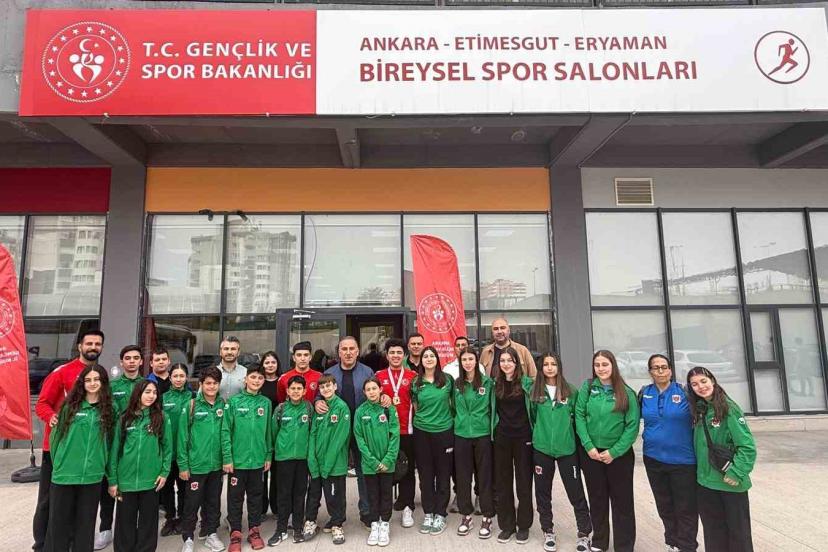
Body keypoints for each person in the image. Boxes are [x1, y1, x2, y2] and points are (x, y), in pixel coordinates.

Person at [44, 363, 114, 552]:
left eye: (97, 379)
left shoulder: (109, 409)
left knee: (86, 524)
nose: (92, 383)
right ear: (82, 383)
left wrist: (104, 466)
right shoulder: (70, 407)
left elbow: (111, 442)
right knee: (59, 524)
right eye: (88, 380)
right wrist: (60, 463)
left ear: (103, 382)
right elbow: (55, 438)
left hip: (92, 476)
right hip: (65, 475)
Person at [575, 350, 640, 552]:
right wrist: (588, 446)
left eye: (605, 364)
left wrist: (615, 452)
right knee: (597, 499)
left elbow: (632, 426)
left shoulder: (626, 392)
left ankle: (624, 546)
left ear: (613, 366)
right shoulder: (588, 387)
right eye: (597, 365)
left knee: (622, 502)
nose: (601, 368)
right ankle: (599, 542)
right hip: (592, 454)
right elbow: (579, 415)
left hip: (618, 456)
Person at [687, 366, 757, 552]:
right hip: (706, 484)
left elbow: (747, 446)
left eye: (703, 381)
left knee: (738, 535)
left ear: (712, 380)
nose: (700, 387)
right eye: (694, 384)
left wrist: (736, 472)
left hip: (729, 483)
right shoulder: (700, 409)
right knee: (713, 534)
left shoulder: (728, 408)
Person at [530, 353, 593, 552]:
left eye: (553, 364)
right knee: (543, 493)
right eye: (546, 364)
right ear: (541, 368)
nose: (549, 367)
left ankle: (584, 533)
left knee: (576, 492)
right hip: (542, 450)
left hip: (567, 450)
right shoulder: (535, 392)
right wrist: (539, 436)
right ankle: (548, 531)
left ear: (559, 367)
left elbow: (577, 418)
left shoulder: (570, 391)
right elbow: (533, 417)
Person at [640, 354, 698, 552]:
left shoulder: (685, 392)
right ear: (650, 372)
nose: (660, 371)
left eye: (664, 367)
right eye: (655, 367)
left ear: (671, 370)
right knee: (664, 505)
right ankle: (672, 543)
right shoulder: (644, 393)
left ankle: (687, 546)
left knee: (685, 507)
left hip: (683, 461)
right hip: (653, 459)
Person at [315, 336, 375, 527]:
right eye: (344, 349)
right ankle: (337, 516)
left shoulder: (367, 372)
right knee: (337, 474)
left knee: (364, 471)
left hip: (361, 429)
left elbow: (375, 393)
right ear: (338, 352)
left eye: (352, 349)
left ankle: (367, 512)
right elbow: (320, 394)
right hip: (337, 431)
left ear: (358, 351)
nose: (348, 353)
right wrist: (317, 402)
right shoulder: (329, 372)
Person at [107, 379, 173, 552]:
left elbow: (167, 448)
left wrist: (164, 472)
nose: (151, 396)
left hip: (150, 480)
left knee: (148, 523)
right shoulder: (124, 418)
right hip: (126, 480)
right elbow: (114, 451)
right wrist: (112, 480)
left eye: (154, 392)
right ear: (138, 394)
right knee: (125, 523)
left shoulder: (161, 418)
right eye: (147, 392)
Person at [221, 365, 273, 552]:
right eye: (253, 377)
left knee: (255, 498)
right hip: (238, 461)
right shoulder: (234, 402)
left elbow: (268, 431)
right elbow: (226, 430)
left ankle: (254, 530)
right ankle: (235, 533)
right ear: (245, 379)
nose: (256, 381)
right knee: (235, 499)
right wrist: (227, 457)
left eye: (260, 378)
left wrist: (268, 454)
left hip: (257, 460)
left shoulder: (266, 403)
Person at [177, 367, 227, 552]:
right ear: (201, 384)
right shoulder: (191, 406)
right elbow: (182, 438)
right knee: (192, 503)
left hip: (216, 465)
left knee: (213, 502)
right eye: (208, 383)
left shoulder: (223, 405)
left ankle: (210, 533)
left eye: (215, 383)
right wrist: (183, 465)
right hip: (196, 465)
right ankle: (188, 538)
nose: (211, 386)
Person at [97, 343, 141, 550]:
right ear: (121, 362)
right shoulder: (112, 387)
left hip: (138, 443)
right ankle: (105, 528)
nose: (132, 362)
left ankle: (132, 528)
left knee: (133, 489)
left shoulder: (147, 385)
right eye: (128, 358)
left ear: (141, 361)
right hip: (114, 441)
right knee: (109, 485)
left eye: (135, 358)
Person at [410, 345, 454, 536]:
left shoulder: (448, 380)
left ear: (437, 359)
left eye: (432, 356)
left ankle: (441, 513)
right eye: (425, 356)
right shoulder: (416, 382)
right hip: (422, 433)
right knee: (426, 475)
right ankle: (429, 513)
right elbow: (415, 406)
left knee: (443, 474)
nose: (428, 359)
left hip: (444, 432)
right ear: (421, 361)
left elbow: (453, 403)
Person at [492, 346, 534, 544]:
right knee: (503, 482)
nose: (506, 364)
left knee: (524, 482)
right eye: (502, 361)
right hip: (502, 437)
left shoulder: (527, 384)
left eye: (510, 360)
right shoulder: (495, 385)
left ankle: (523, 525)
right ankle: (507, 525)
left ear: (517, 363)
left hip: (523, 437)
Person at [452, 348, 495, 539]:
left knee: (484, 477)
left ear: (477, 361)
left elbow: (493, 408)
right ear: (460, 363)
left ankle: (487, 516)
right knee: (462, 477)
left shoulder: (487, 383)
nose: (468, 362)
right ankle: (466, 516)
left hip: (482, 434)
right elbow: (452, 407)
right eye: (464, 360)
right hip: (461, 434)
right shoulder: (456, 384)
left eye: (471, 359)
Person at [375, 338, 418, 529]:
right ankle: (384, 509)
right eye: (392, 352)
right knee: (387, 470)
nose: (395, 356)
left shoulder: (413, 376)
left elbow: (418, 402)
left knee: (407, 470)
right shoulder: (378, 376)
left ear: (405, 355)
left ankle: (408, 506)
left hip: (407, 431)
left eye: (399, 352)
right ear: (387, 355)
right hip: (386, 432)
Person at [305, 375, 351, 545]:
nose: (326, 389)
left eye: (328, 386)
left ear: (335, 386)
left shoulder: (342, 407)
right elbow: (312, 434)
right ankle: (310, 521)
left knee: (335, 496)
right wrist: (312, 459)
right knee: (313, 494)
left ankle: (337, 524)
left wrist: (328, 464)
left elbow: (340, 439)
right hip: (317, 463)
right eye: (322, 387)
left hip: (334, 464)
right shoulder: (319, 408)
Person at [354, 377, 400, 547]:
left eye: (374, 388)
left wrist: (388, 459)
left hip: (387, 463)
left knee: (386, 494)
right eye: (368, 389)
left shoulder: (389, 409)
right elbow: (359, 438)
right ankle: (374, 524)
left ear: (380, 389)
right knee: (372, 494)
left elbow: (395, 435)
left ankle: (385, 524)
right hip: (369, 464)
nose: (372, 392)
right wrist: (372, 461)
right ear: (364, 392)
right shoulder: (360, 411)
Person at [268, 375, 313, 546]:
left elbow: (311, 431)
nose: (295, 391)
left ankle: (297, 528)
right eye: (292, 388)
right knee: (284, 494)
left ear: (304, 391)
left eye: (299, 389)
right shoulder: (280, 409)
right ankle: (281, 529)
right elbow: (273, 432)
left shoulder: (308, 408)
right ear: (287, 390)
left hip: (302, 458)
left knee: (300, 493)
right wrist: (276, 451)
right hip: (283, 458)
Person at [159, 363, 195, 537]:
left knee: (183, 488)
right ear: (170, 377)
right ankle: (170, 518)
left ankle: (181, 518)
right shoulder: (162, 398)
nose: (179, 379)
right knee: (166, 488)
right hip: (167, 451)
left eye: (182, 376)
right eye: (175, 376)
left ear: (186, 377)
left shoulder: (193, 397)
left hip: (186, 452)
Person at [259, 351, 281, 517]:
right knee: (261, 472)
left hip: (279, 431)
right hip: (261, 431)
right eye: (267, 362)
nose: (270, 365)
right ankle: (261, 508)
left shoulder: (282, 382)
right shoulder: (258, 382)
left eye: (273, 362)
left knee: (277, 472)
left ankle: (276, 506)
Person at [218, 336, 247, 401]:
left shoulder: (246, 373)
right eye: (226, 349)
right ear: (220, 352)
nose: (229, 352)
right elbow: (201, 398)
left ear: (238, 352)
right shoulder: (210, 373)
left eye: (233, 349)